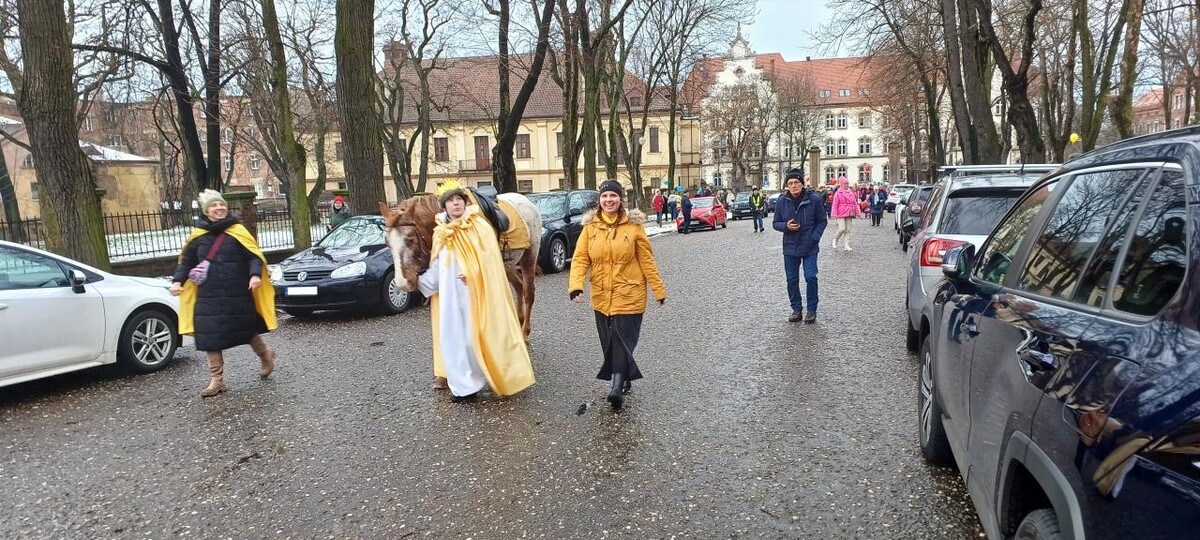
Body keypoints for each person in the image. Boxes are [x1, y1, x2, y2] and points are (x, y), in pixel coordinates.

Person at [416, 181, 535, 402]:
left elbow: (491, 260)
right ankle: (464, 387)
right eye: (451, 201)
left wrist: (473, 272)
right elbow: (438, 265)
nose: (456, 204)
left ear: (464, 202)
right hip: (450, 299)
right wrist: (421, 282)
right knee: (454, 339)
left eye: (459, 200)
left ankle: (492, 376)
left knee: (476, 338)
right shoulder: (440, 232)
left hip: (475, 294)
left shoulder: (480, 227)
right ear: (444, 206)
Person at [569, 180, 667, 410]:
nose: (608, 200)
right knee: (608, 341)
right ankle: (623, 377)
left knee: (621, 339)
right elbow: (580, 258)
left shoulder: (633, 227)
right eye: (604, 196)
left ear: (620, 199)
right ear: (599, 200)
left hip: (629, 291)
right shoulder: (590, 228)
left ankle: (616, 388)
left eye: (613, 196)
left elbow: (647, 260)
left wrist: (658, 289)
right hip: (602, 294)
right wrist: (576, 286)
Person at [170, 189, 278, 398]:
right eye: (214, 205)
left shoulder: (237, 231)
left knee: (246, 329)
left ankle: (266, 356)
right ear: (206, 211)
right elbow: (187, 263)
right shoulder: (198, 236)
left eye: (221, 204)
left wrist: (255, 275)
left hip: (237, 291)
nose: (219, 208)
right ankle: (217, 380)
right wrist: (177, 281)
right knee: (209, 335)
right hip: (208, 295)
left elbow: (253, 256)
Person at [773, 169, 827, 323]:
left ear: (802, 184)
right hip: (790, 247)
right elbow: (775, 223)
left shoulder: (814, 200)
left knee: (810, 277)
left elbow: (822, 221)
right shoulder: (782, 201)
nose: (793, 186)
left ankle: (811, 310)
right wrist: (785, 226)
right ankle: (796, 309)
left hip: (809, 246)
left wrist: (814, 237)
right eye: (790, 183)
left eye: (796, 182)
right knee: (792, 280)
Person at [830, 177, 861, 251]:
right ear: (841, 184)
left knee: (848, 229)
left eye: (847, 183)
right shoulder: (838, 193)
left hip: (849, 212)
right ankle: (835, 239)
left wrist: (858, 213)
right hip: (840, 213)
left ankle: (847, 245)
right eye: (845, 184)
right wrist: (834, 214)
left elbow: (855, 204)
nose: (847, 185)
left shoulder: (851, 193)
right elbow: (835, 205)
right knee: (842, 228)